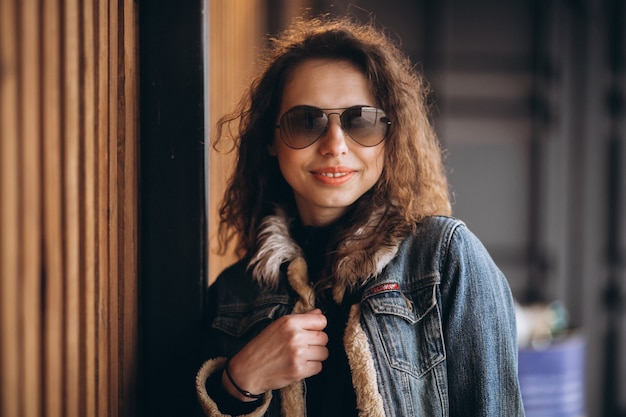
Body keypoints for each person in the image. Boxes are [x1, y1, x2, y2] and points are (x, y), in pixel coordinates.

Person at [196, 14, 525, 417]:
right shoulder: (234, 293)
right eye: (306, 121)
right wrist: (238, 382)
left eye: (361, 121)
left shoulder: (446, 260)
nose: (335, 145)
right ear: (270, 138)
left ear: (391, 137)